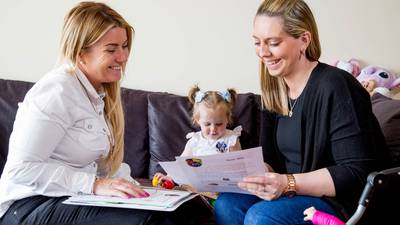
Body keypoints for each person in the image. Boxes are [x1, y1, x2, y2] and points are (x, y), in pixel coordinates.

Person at [214, 0, 389, 224]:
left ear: (304, 40)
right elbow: (271, 161)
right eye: (257, 43)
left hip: (340, 202)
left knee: (261, 216)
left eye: (273, 42)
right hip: (292, 194)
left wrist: (287, 183)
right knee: (228, 203)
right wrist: (243, 171)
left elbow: (355, 173)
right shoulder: (274, 89)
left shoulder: (336, 85)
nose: (263, 52)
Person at [0, 2, 175, 225]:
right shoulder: (57, 92)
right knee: (147, 221)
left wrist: (144, 191)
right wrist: (93, 185)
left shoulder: (97, 94)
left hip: (70, 198)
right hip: (27, 206)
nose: (123, 57)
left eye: (124, 46)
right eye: (111, 49)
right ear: (81, 54)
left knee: (177, 213)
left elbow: (99, 167)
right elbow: (21, 170)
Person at [153, 85, 242, 186]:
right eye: (207, 124)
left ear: (227, 119)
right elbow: (180, 165)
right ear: (198, 120)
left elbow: (239, 168)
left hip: (223, 187)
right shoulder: (195, 140)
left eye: (219, 124)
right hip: (198, 186)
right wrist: (169, 177)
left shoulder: (231, 140)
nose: (213, 129)